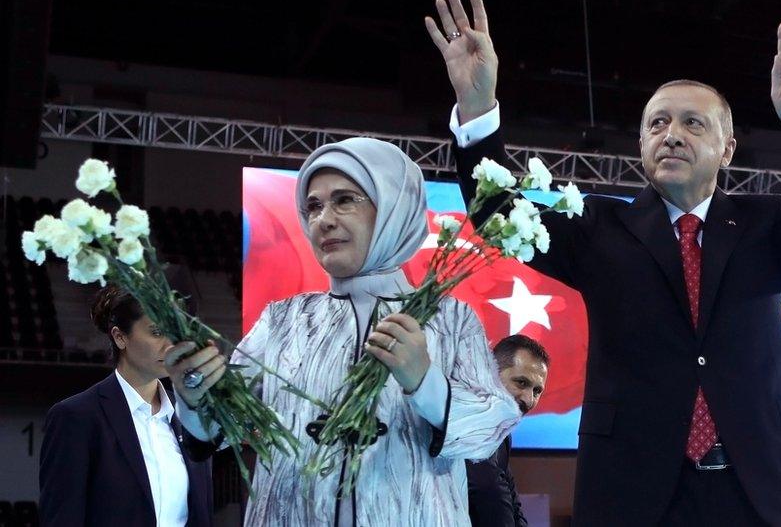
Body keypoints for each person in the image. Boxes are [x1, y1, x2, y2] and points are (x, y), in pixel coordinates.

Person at [427, 0, 781, 526]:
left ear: (727, 149)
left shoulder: (762, 224)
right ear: (640, 143)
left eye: (692, 124)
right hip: (638, 493)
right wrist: (476, 110)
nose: (671, 135)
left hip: (771, 490)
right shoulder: (597, 228)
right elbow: (497, 215)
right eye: (657, 124)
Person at [164, 137, 521, 526]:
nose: (324, 219)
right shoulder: (282, 321)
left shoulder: (450, 319)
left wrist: (425, 382)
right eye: (313, 206)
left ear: (392, 208)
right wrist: (195, 398)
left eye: (345, 199)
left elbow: (488, 432)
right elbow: (218, 428)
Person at [39, 284, 215, 527]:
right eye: (156, 332)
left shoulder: (190, 417)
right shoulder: (76, 416)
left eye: (175, 333)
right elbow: (62, 518)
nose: (170, 345)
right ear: (120, 337)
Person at [467, 334, 550, 527]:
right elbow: (488, 494)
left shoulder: (502, 435)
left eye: (537, 391)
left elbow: (512, 503)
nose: (529, 400)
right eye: (521, 382)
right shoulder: (458, 420)